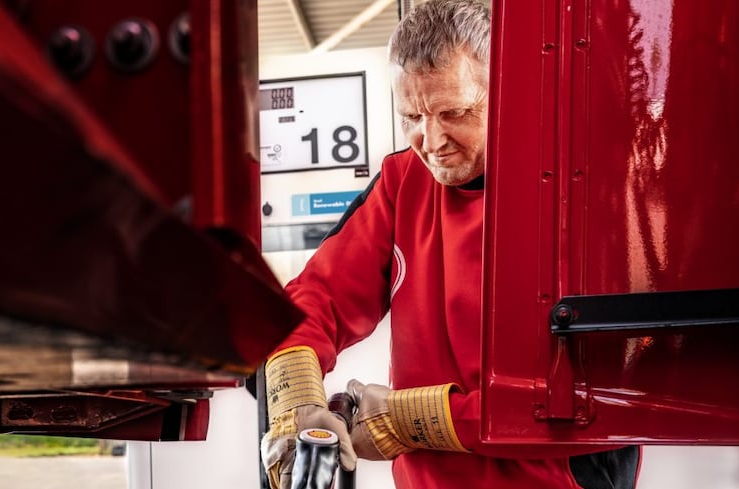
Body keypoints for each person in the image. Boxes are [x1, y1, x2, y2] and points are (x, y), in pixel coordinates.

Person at [258, 1, 641, 488]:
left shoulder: (587, 191)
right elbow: (312, 303)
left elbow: (609, 398)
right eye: (411, 116)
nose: (430, 140)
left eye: (454, 112)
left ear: (506, 88)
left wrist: (408, 419)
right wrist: (296, 404)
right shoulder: (402, 183)